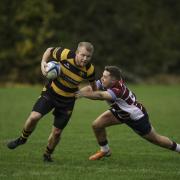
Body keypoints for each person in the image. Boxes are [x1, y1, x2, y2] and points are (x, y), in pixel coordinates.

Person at [7, 42, 97, 162]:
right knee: (34, 116)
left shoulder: (89, 70)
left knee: (57, 132)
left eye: (88, 56)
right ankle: (22, 139)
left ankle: (47, 155)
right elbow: (49, 50)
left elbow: (94, 87)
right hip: (51, 93)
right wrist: (43, 63)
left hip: (68, 101)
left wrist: (83, 93)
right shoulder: (65, 54)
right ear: (76, 52)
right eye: (83, 55)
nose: (85, 59)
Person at [76, 65, 180, 160]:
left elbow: (100, 96)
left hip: (136, 117)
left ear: (113, 80)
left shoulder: (117, 90)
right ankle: (105, 150)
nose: (102, 78)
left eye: (105, 77)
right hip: (120, 112)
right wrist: (77, 93)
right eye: (102, 76)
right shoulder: (108, 82)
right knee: (97, 125)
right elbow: (91, 88)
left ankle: (179, 148)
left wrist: (82, 94)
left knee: (156, 139)